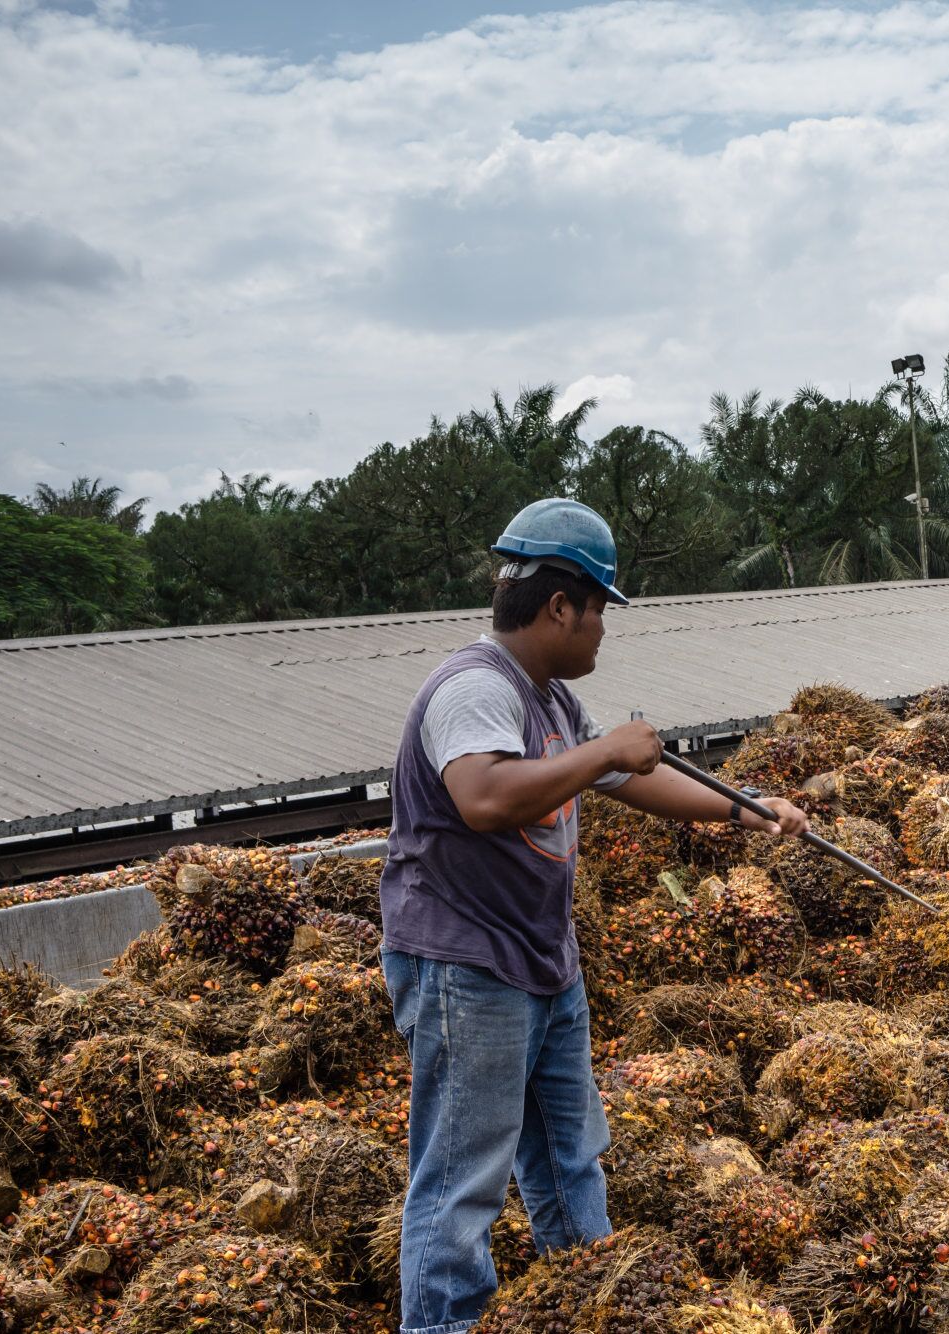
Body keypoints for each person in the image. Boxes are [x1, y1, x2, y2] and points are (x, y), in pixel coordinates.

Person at [378, 497, 808, 1334]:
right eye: (601, 608)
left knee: (569, 1160)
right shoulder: (475, 687)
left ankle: (598, 1306)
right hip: (466, 969)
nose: (605, 630)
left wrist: (743, 809)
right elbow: (483, 796)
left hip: (541, 963)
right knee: (462, 1182)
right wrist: (608, 747)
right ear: (560, 606)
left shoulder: (547, 699)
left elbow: (627, 782)